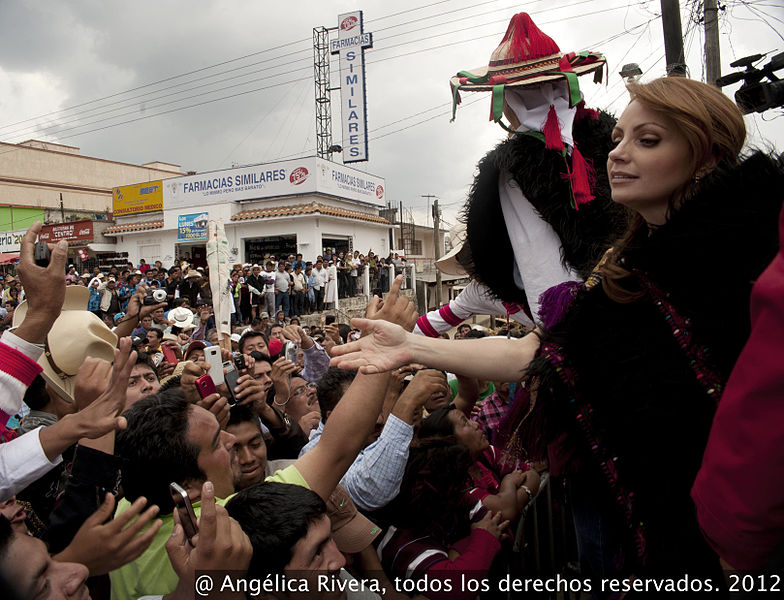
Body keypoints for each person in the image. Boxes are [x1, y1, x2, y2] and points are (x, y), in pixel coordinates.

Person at [331, 76, 784, 586]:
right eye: (618, 141)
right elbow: (544, 353)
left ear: (707, 155)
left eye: (648, 140)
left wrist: (740, 537)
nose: (618, 155)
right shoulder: (623, 271)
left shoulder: (761, 247)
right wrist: (412, 344)